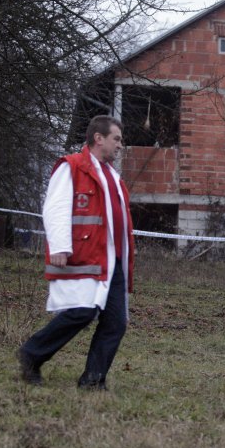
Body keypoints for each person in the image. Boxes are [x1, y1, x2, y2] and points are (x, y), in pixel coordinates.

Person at [18, 115, 135, 390]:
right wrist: (59, 246)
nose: (120, 145)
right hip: (86, 254)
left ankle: (93, 380)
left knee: (116, 322)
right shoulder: (71, 167)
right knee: (82, 311)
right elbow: (55, 207)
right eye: (116, 139)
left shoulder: (113, 177)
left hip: (114, 260)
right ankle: (31, 355)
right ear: (98, 138)